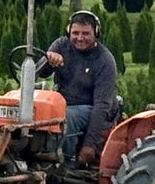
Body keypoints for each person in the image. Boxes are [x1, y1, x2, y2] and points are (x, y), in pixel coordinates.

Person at [38, 10, 118, 165]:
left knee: (67, 116)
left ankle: (63, 166)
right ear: (69, 32)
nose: (80, 38)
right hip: (62, 103)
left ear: (96, 33)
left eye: (86, 33)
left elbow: (102, 105)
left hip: (92, 108)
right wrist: (49, 60)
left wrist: (89, 145)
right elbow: (40, 72)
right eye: (75, 33)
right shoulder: (61, 45)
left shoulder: (105, 60)